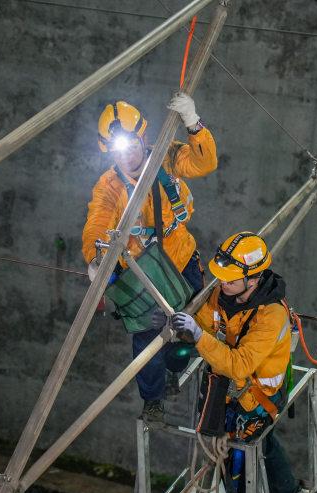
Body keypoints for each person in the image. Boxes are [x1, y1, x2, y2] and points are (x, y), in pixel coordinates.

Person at [81, 93, 218, 427]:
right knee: (147, 338)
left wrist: (193, 123)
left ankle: (178, 366)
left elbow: (204, 163)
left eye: (132, 145)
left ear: (143, 137)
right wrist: (96, 259)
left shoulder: (166, 159)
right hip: (144, 273)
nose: (128, 155)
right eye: (119, 150)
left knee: (190, 329)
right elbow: (97, 224)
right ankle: (153, 401)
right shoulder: (110, 186)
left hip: (181, 260)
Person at [169, 231, 305, 493]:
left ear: (253, 279)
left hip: (258, 397)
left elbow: (240, 364)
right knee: (258, 445)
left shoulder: (271, 315)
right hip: (234, 387)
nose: (222, 282)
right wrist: (177, 328)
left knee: (242, 458)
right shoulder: (224, 294)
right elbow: (206, 322)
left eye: (230, 278)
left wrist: (198, 336)